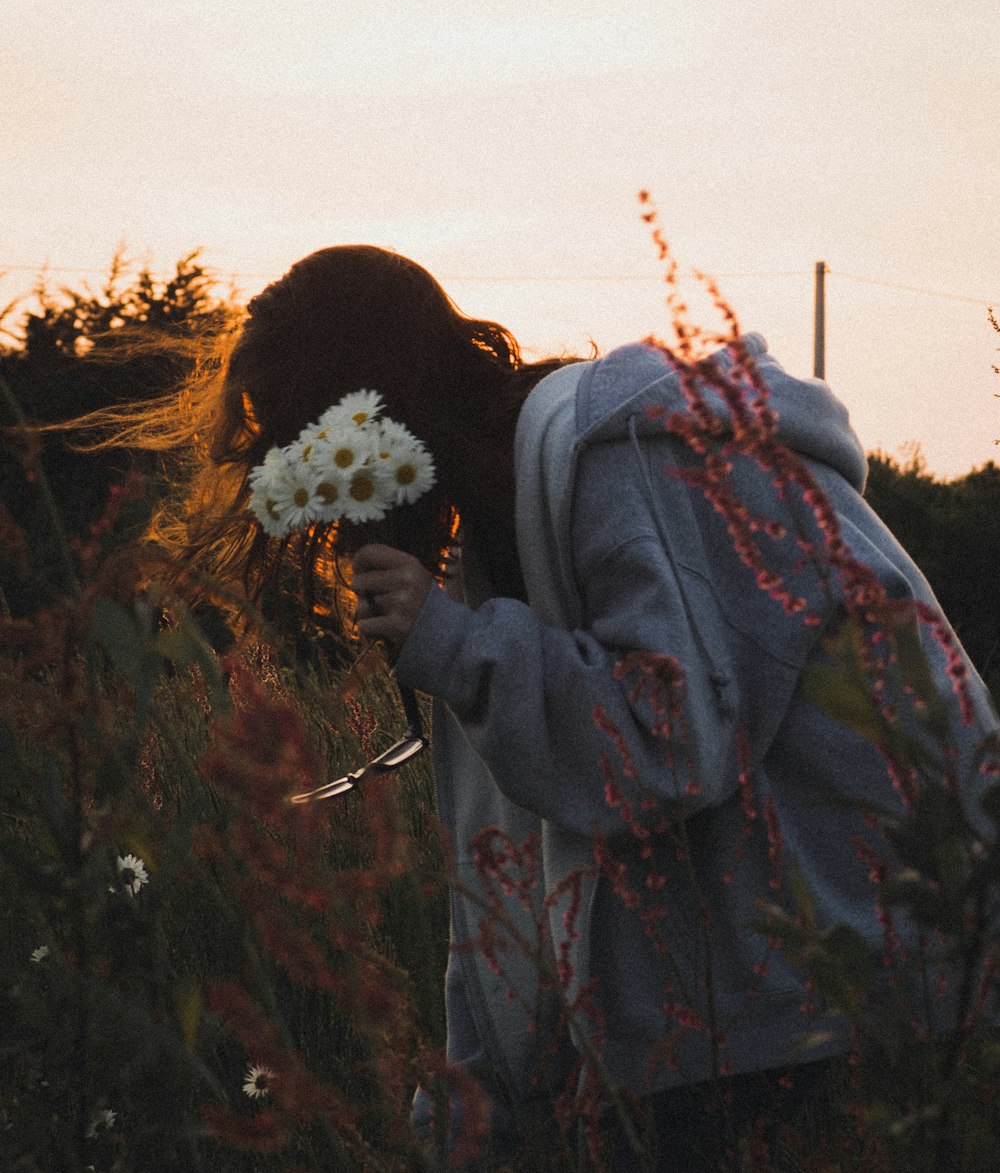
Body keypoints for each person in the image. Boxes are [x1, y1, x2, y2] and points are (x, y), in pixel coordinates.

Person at [158, 244, 995, 1170]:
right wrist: (474, 1116)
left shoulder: (625, 457)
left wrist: (460, 649)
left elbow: (673, 738)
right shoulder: (492, 546)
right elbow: (504, 877)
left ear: (373, 422)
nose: (335, 514)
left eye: (316, 456)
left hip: (873, 986)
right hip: (756, 1014)